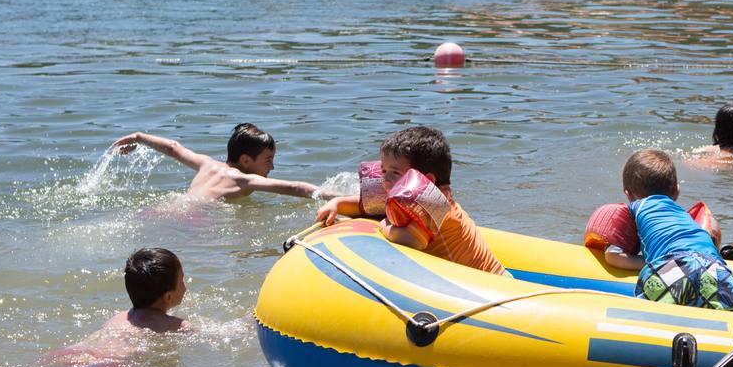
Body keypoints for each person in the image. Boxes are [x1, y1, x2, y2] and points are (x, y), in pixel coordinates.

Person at [316, 125, 506, 275]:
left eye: (395, 173)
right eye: (384, 170)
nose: (385, 179)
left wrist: (383, 226)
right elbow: (367, 206)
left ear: (426, 181)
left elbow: (414, 240)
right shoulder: (411, 195)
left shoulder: (436, 207)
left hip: (493, 286)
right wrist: (338, 204)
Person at [602, 149, 733, 311]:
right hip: (717, 270)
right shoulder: (687, 218)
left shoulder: (636, 207)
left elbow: (613, 256)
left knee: (651, 319)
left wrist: (648, 263)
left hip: (672, 269)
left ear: (628, 194)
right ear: (676, 191)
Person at [42, 248, 188, 367]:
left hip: (72, 354)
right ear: (168, 296)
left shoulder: (120, 317)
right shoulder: (176, 325)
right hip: (108, 365)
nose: (185, 286)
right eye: (182, 279)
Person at [111, 123, 321, 202]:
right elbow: (294, 188)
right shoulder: (244, 179)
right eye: (268, 160)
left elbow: (173, 147)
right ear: (246, 160)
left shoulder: (207, 164)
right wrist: (333, 196)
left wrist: (138, 136)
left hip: (170, 207)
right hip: (197, 222)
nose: (272, 167)